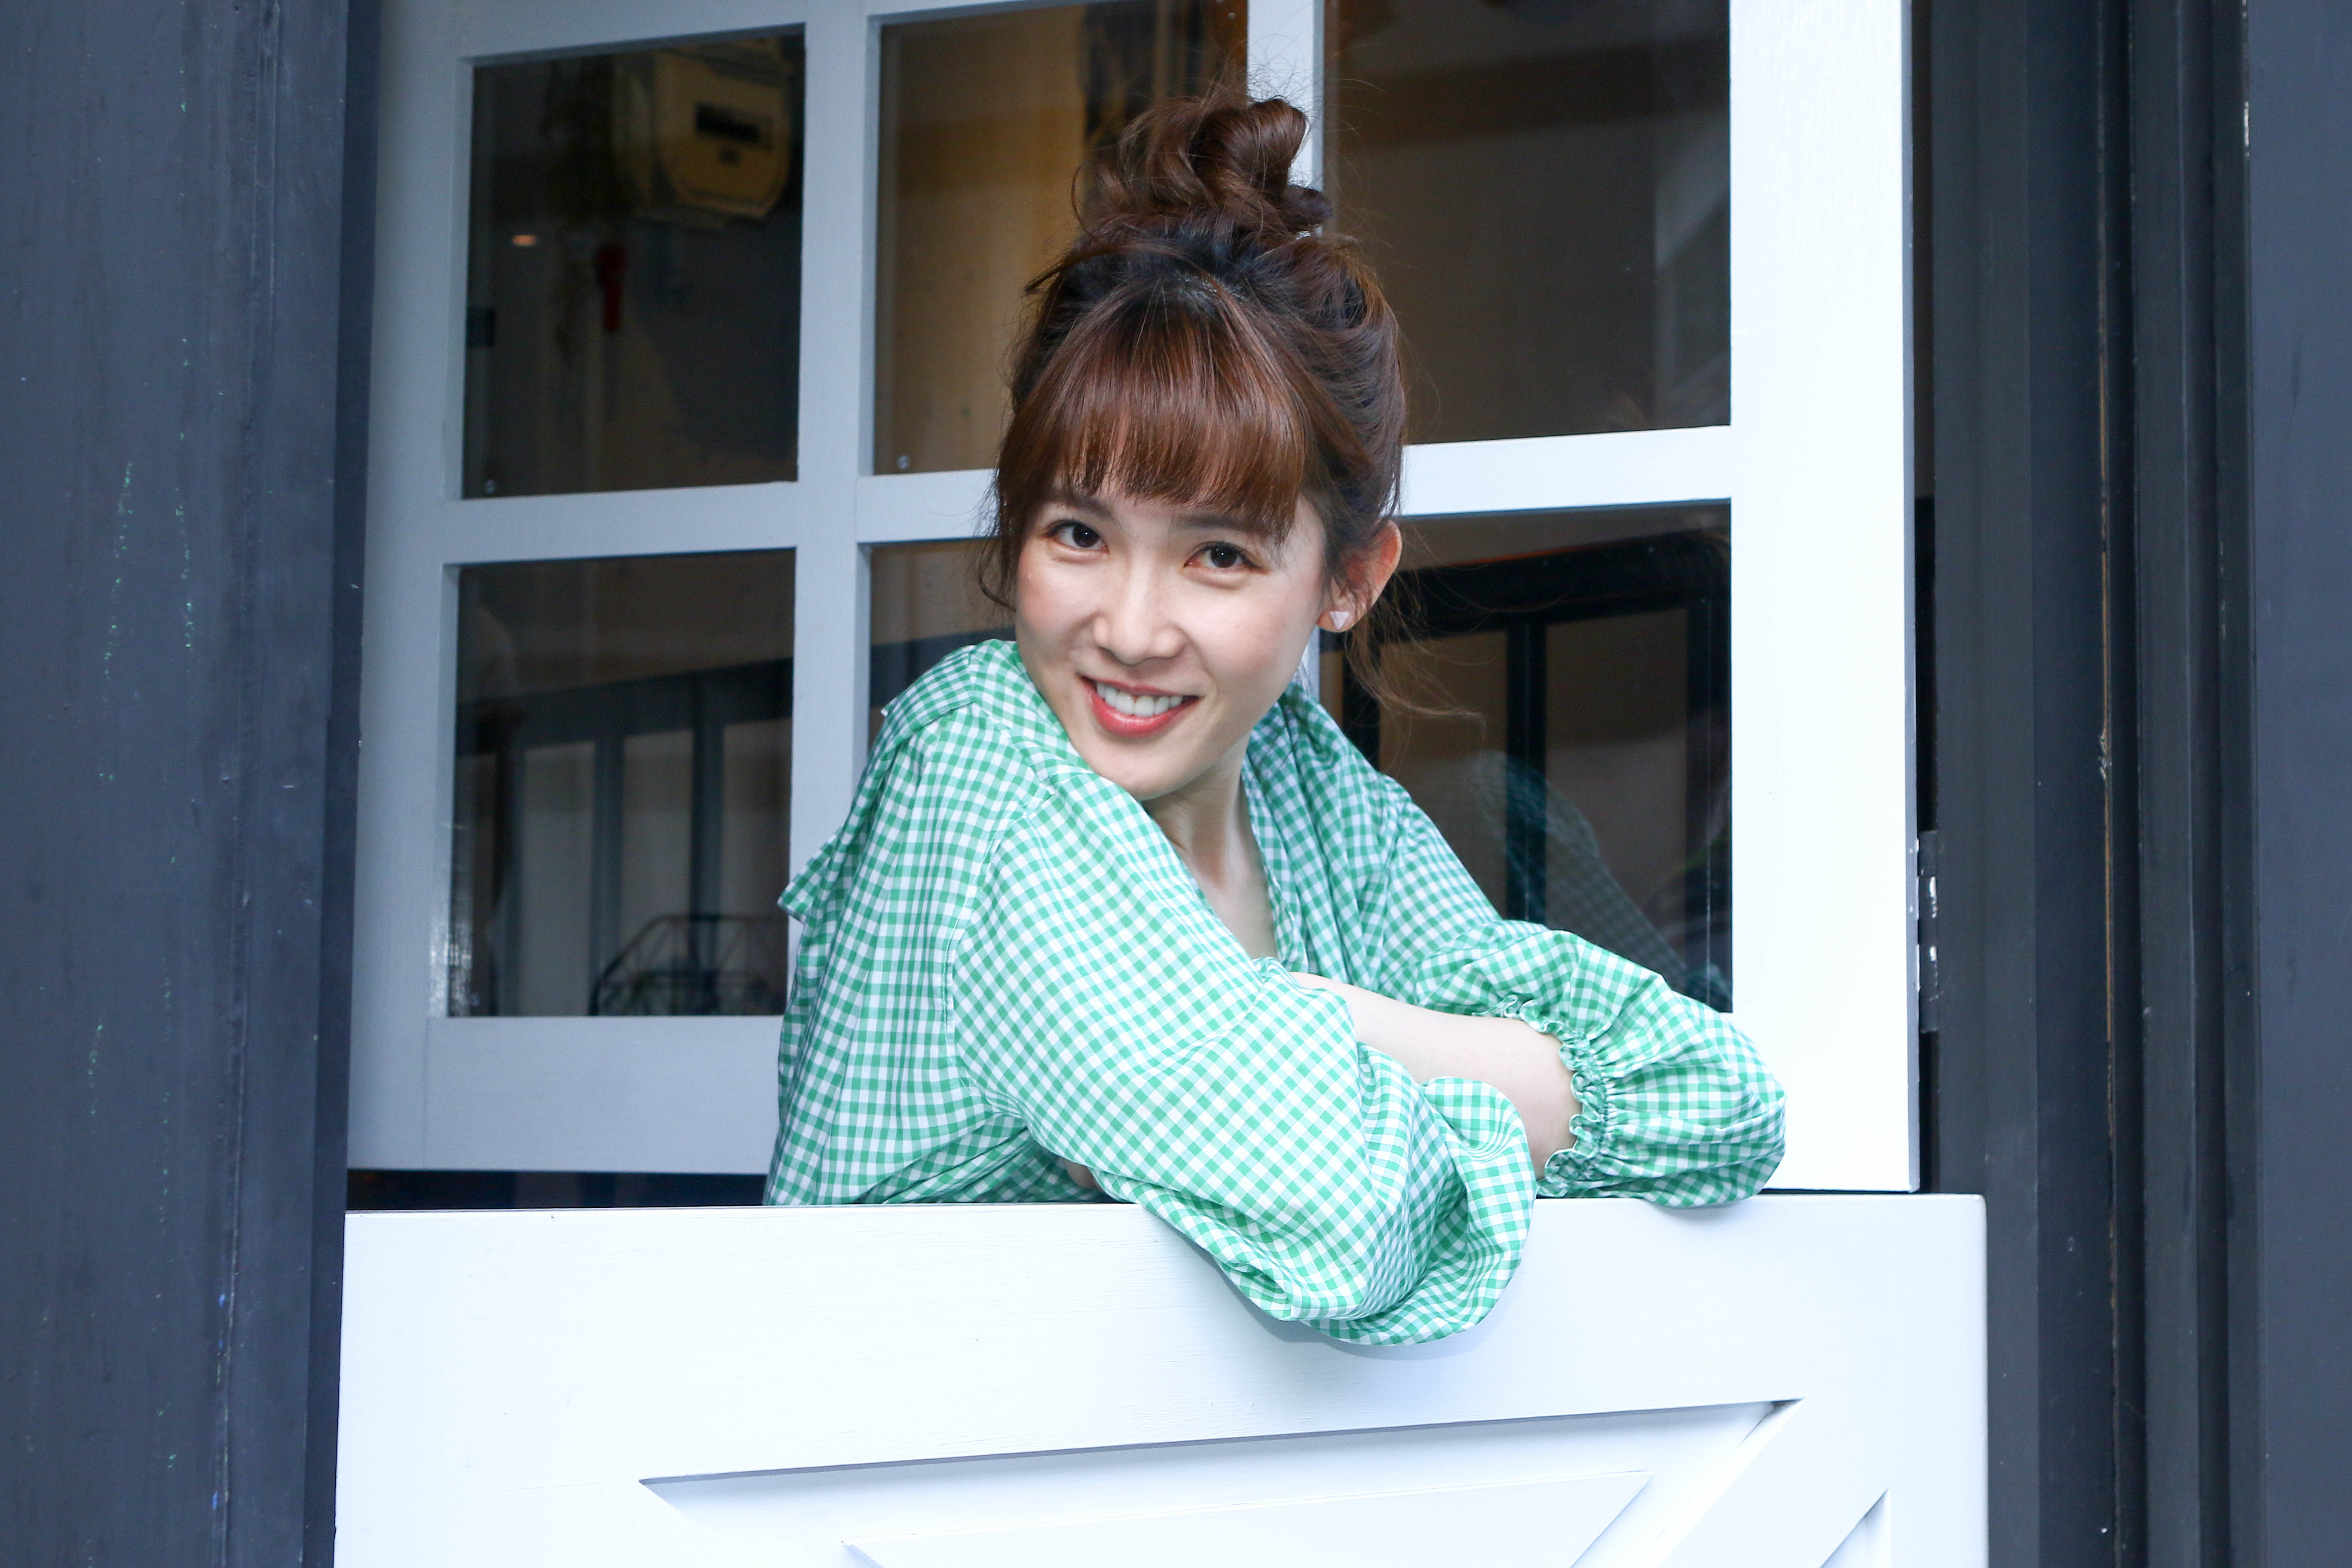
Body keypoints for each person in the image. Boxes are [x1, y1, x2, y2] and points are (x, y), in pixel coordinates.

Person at [768, 91, 1782, 1343]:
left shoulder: (1310, 792)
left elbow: (1717, 1104)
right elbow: (1341, 1211)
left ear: (1350, 578)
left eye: (1220, 557)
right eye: (1078, 534)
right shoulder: (981, 764)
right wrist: (1475, 1077)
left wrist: (1302, 1020)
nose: (1132, 628)